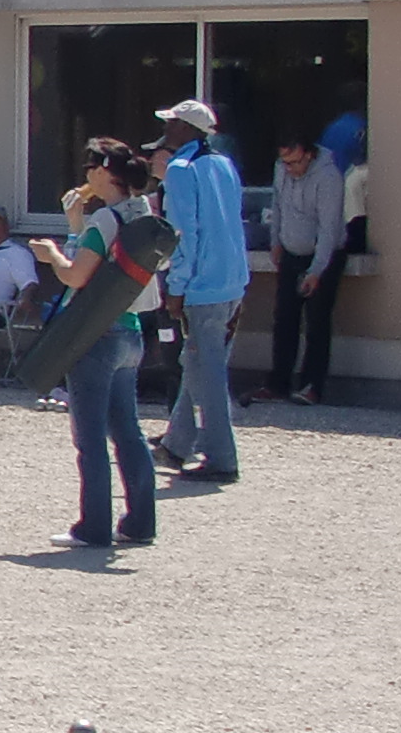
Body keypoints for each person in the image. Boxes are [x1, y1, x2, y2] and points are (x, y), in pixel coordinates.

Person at [32, 139, 164, 549]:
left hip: (96, 335)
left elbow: (75, 276)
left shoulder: (104, 220)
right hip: (131, 331)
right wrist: (77, 225)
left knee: (89, 436)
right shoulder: (142, 212)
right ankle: (141, 522)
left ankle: (94, 525)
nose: (86, 173)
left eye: (91, 166)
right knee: (128, 430)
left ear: (107, 174)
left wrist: (52, 253)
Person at [152, 97, 247, 484]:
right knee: (198, 365)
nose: (166, 128)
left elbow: (183, 235)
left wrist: (176, 286)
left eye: (173, 122)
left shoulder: (179, 169)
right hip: (232, 280)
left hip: (202, 285)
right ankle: (177, 443)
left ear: (187, 129)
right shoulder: (224, 165)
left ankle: (221, 458)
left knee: (207, 373)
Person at [267, 132, 348, 404]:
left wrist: (316, 271)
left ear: (309, 154)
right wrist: (275, 241)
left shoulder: (329, 178)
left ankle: (312, 386)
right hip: (290, 253)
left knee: (317, 323)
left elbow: (329, 228)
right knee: (284, 319)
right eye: (285, 162)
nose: (290, 169)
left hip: (324, 256)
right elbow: (276, 206)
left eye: (295, 162)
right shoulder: (281, 170)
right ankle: (278, 383)